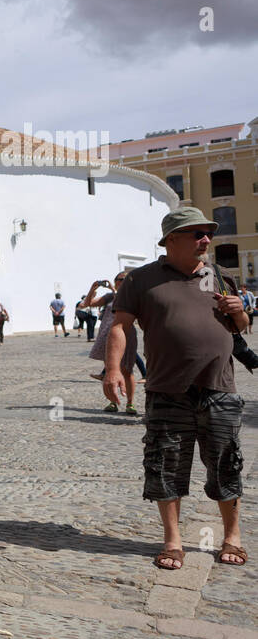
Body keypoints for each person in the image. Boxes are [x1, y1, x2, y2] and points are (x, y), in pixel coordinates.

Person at [104, 207, 247, 570]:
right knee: (165, 465)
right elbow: (121, 326)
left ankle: (232, 536)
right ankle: (173, 541)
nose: (206, 240)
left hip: (220, 388)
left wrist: (239, 310)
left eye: (207, 233)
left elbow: (239, 326)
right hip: (167, 389)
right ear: (170, 239)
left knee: (225, 464)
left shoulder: (219, 275)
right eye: (196, 233)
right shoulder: (141, 279)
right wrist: (113, 369)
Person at [85, 273, 138, 414]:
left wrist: (115, 291)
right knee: (110, 369)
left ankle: (130, 403)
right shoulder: (109, 296)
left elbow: (121, 301)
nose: (122, 282)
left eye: (125, 280)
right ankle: (113, 401)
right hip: (107, 335)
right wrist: (92, 289)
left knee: (127, 370)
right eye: (119, 279)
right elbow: (88, 304)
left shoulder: (132, 295)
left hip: (126, 334)